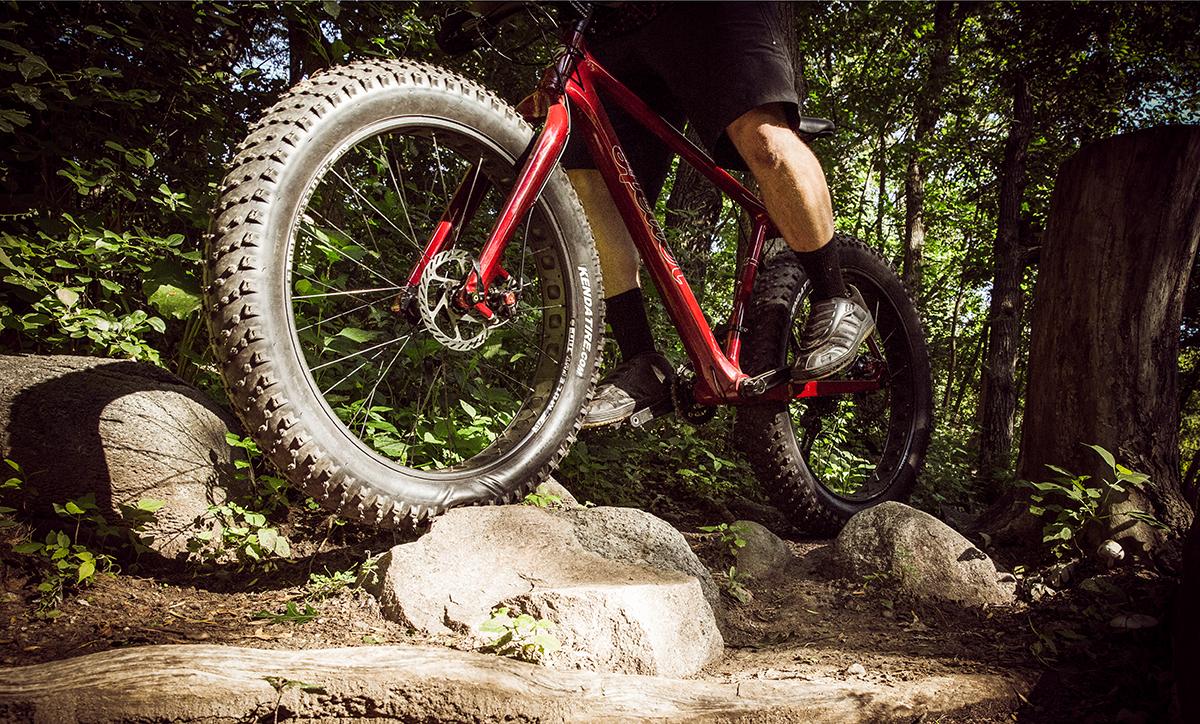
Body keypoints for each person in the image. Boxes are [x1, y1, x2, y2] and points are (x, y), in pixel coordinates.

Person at [558, 2, 874, 428]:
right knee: (591, 181)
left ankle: (835, 296)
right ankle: (641, 361)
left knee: (764, 138)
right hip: (607, 23)